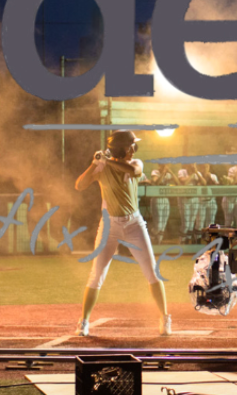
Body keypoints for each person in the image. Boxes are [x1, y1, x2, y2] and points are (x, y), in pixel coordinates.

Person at [74, 130, 171, 337]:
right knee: (96, 274)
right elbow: (79, 185)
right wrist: (94, 163)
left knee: (152, 272)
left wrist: (106, 161)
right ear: (122, 148)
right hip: (109, 225)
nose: (134, 149)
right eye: (130, 146)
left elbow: (129, 169)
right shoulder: (102, 166)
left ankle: (164, 317)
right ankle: (83, 321)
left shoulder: (136, 164)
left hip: (134, 223)